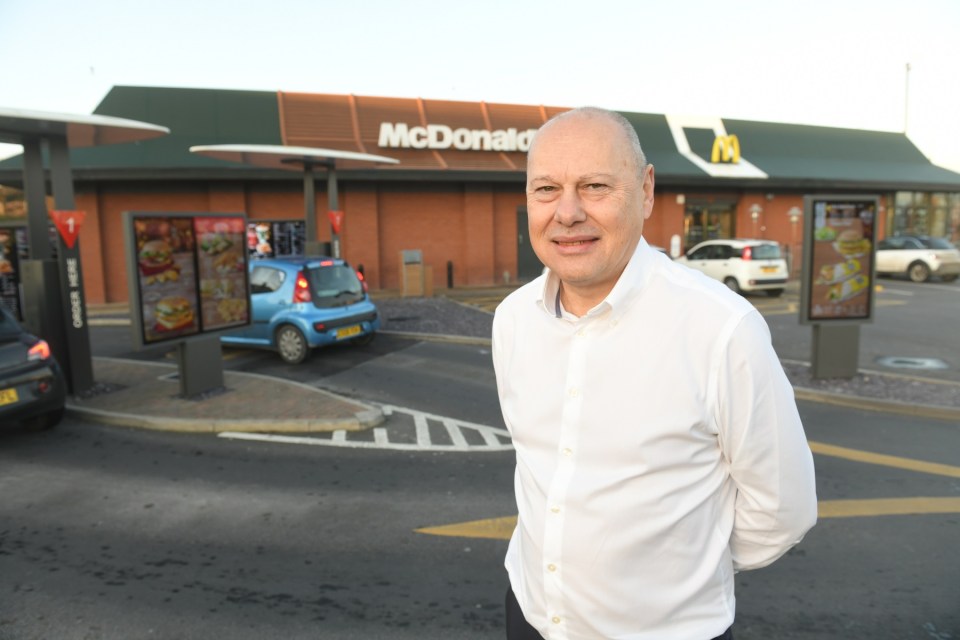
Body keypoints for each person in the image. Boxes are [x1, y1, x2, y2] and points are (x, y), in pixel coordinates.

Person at [492, 107, 817, 640]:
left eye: (595, 186)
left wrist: (680, 574)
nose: (567, 213)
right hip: (529, 615)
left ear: (645, 192)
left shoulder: (721, 329)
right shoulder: (512, 320)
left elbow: (785, 507)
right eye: (546, 189)